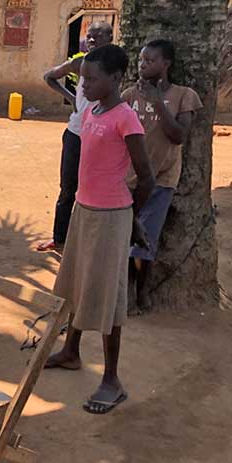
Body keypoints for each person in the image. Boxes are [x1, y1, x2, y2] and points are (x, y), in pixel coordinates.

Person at [44, 44, 155, 415]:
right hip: (84, 210)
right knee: (76, 284)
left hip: (111, 217)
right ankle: (71, 351)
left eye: (91, 79)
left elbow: (147, 178)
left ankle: (112, 380)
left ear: (114, 79)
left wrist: (131, 218)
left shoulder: (126, 119)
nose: (84, 84)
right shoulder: (91, 109)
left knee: (108, 298)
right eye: (83, 78)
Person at [122, 40, 202, 311]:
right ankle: (126, 290)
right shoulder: (130, 95)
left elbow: (179, 136)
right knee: (123, 237)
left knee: (146, 239)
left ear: (166, 64)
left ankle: (140, 290)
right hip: (128, 178)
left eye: (150, 60)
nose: (143, 65)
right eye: (141, 60)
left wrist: (157, 102)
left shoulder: (183, 95)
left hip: (161, 180)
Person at [37, 22, 114, 252]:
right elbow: (49, 77)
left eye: (97, 36)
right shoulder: (79, 63)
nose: (91, 40)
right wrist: (71, 99)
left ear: (110, 38)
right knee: (67, 188)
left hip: (101, 137)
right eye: (88, 36)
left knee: (94, 188)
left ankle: (88, 241)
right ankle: (59, 239)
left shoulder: (113, 67)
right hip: (76, 134)